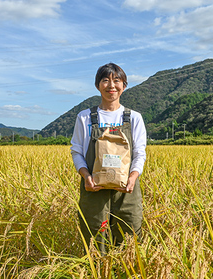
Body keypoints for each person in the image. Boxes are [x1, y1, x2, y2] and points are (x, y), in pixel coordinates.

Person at [70, 63, 147, 254]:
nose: (111, 85)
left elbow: (140, 153)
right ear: (98, 86)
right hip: (93, 189)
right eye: (105, 80)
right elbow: (77, 151)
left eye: (117, 80)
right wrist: (86, 176)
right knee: (95, 242)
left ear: (124, 86)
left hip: (126, 190)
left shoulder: (134, 118)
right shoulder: (85, 117)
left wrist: (132, 178)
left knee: (129, 241)